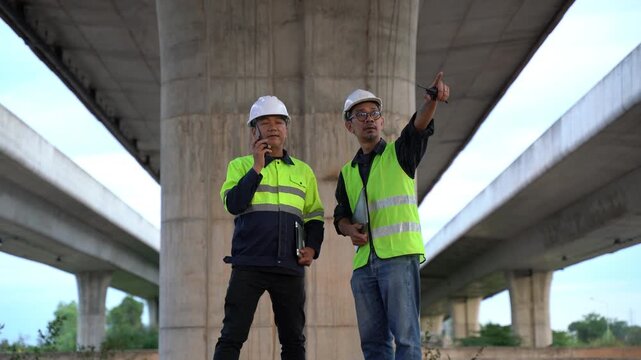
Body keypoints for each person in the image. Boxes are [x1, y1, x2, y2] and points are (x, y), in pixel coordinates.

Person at [334, 73, 450, 359]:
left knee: (407, 341)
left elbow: (418, 127)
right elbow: (340, 216)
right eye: (361, 114)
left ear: (382, 121)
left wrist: (431, 101)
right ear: (350, 126)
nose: (369, 118)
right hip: (363, 267)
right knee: (373, 346)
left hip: (398, 259)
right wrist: (349, 230)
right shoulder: (346, 173)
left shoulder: (400, 154)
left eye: (374, 113)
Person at [214, 95, 325, 360]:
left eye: (279, 121)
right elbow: (234, 203)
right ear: (255, 130)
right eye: (265, 122)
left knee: (294, 341)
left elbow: (315, 216)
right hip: (249, 264)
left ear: (286, 129)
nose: (273, 127)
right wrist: (256, 167)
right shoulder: (239, 166)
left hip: (289, 266)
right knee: (231, 336)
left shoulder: (303, 172)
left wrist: (312, 248)